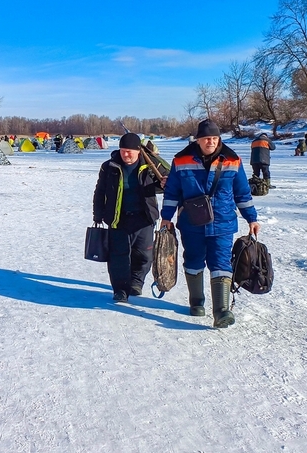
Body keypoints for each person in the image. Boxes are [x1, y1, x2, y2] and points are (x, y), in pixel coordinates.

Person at [160, 119, 259, 328]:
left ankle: (221, 311)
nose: (211, 142)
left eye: (214, 138)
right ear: (198, 140)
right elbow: (172, 193)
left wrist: (251, 218)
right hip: (191, 222)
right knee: (194, 260)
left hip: (222, 223)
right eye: (206, 139)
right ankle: (197, 302)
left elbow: (242, 193)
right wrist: (166, 217)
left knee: (221, 262)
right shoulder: (181, 160)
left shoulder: (233, 160)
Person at [92, 133, 164, 302]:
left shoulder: (150, 165)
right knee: (118, 256)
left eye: (130, 151)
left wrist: (163, 183)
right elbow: (100, 191)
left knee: (144, 255)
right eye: (123, 150)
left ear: (139, 151)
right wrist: (97, 213)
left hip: (144, 217)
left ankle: (136, 282)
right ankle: (120, 290)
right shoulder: (109, 166)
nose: (126, 154)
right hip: (118, 218)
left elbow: (165, 183)